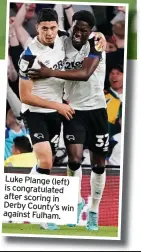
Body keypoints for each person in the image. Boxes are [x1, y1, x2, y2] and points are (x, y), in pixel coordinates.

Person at [28, 10, 109, 231]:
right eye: (76, 27)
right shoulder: (63, 38)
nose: (79, 32)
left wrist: (49, 72)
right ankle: (75, 202)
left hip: (98, 111)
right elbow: (48, 31)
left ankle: (93, 210)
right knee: (73, 160)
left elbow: (84, 73)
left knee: (98, 166)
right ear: (71, 26)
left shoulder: (96, 43)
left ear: (90, 31)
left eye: (85, 29)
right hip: (74, 111)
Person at [18, 8, 75, 230]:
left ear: (57, 26)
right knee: (46, 161)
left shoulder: (62, 39)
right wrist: (59, 105)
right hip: (34, 112)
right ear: (37, 28)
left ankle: (31, 203)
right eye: (44, 28)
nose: (49, 32)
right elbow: (26, 95)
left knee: (45, 164)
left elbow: (81, 33)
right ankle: (42, 216)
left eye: (53, 27)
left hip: (55, 113)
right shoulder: (30, 56)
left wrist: (96, 35)